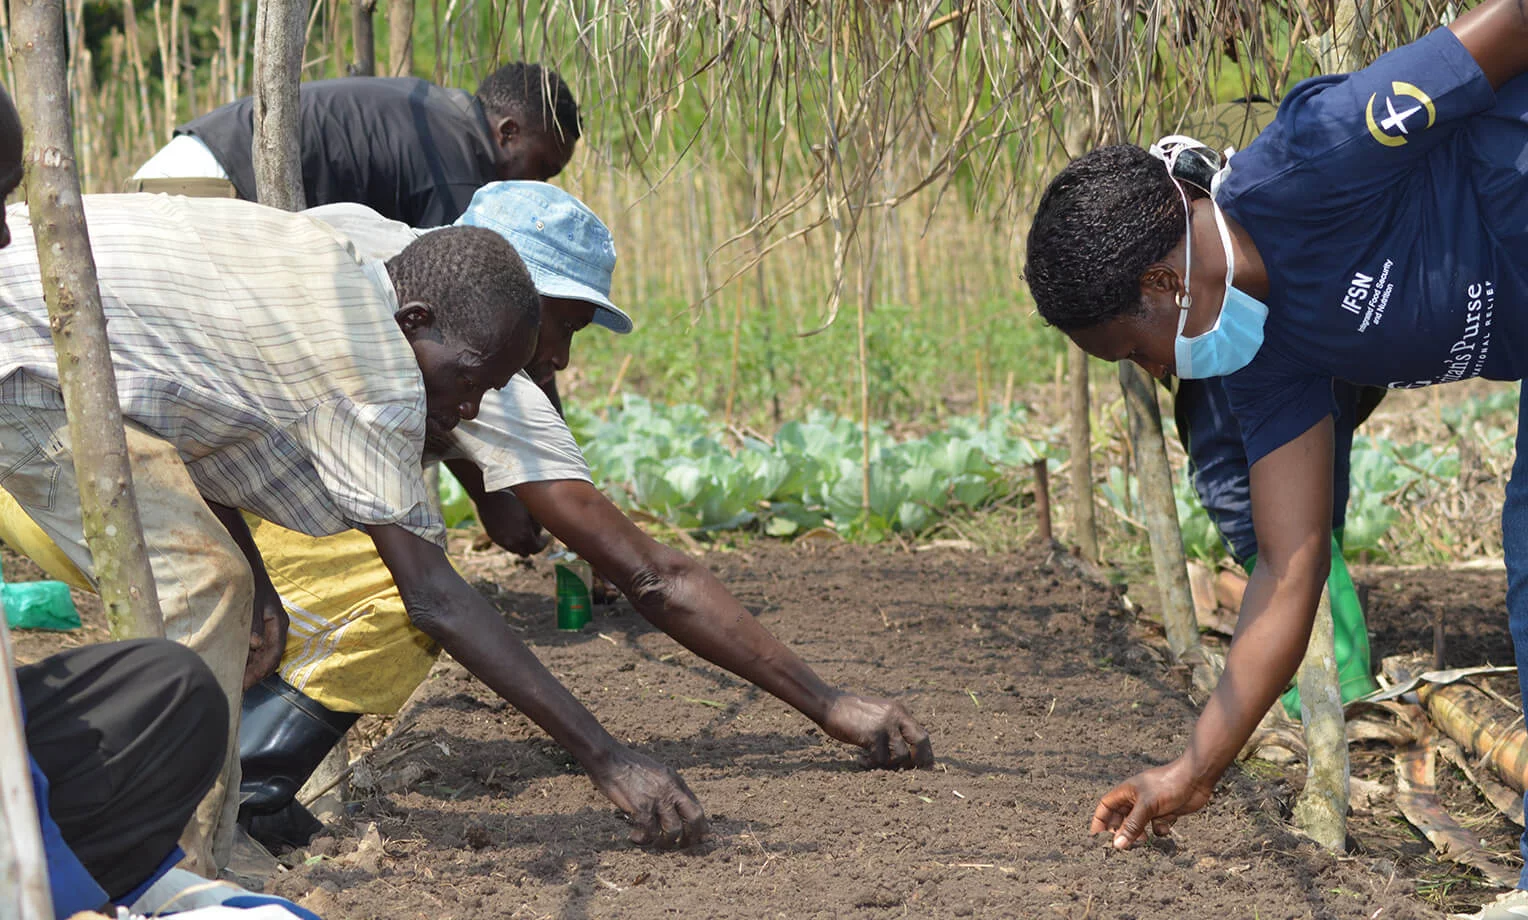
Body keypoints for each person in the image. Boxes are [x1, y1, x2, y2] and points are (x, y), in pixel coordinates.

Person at [0, 195, 711, 868]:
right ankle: (155, 851)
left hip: (52, 324)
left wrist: (263, 584)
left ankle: (179, 831)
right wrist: (608, 757)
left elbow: (184, 408)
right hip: (24, 349)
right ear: (415, 319)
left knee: (225, 580)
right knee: (202, 587)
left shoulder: (337, 263)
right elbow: (433, 597)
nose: (466, 408)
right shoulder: (367, 361)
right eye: (466, 379)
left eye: (487, 393)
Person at [224, 182, 935, 848]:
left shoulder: (361, 233)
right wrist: (828, 702)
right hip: (214, 469)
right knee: (397, 592)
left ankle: (213, 773)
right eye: (560, 324)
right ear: (511, 293)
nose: (557, 356)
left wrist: (485, 485)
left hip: (188, 451)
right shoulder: (499, 382)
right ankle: (246, 796)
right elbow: (655, 577)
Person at [1023, 2, 1528, 913]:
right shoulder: (1262, 356)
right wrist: (1192, 770)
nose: (1153, 369)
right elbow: (1289, 569)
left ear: (1163, 283)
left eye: (1134, 351)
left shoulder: (1319, 153)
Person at [1170, 100, 1382, 715]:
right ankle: (1330, 666)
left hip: (1278, 392)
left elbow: (1225, 476)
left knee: (1256, 512)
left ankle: (1331, 678)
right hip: (1330, 371)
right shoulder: (1268, 248)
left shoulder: (1214, 310)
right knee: (1316, 505)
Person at [129, 62, 579, 227]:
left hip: (189, 167)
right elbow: (461, 297)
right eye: (544, 168)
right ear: (507, 132)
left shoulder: (438, 116)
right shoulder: (459, 156)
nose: (540, 186)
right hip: (210, 190)